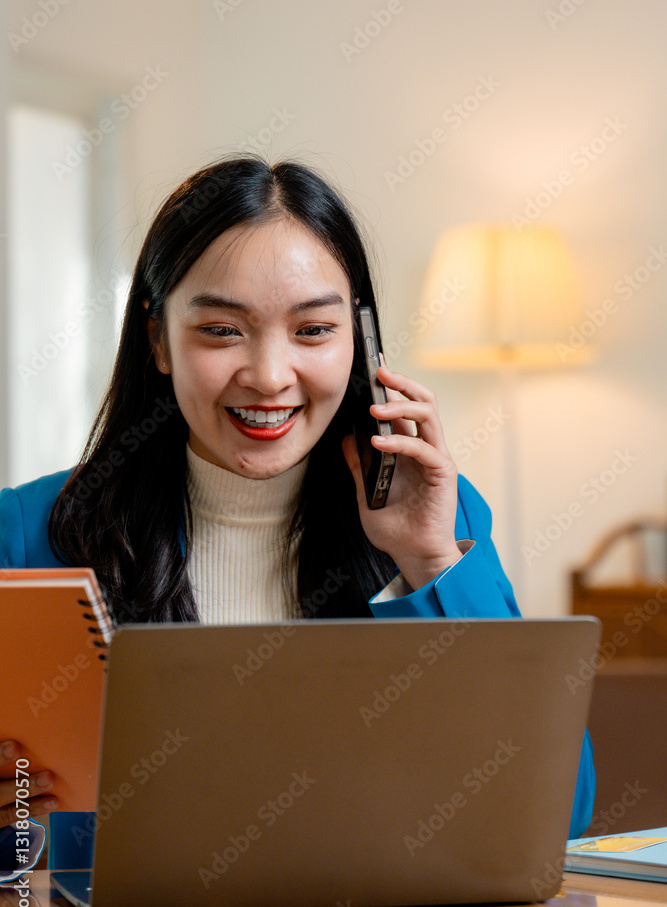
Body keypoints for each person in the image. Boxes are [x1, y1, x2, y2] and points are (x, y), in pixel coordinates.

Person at [0, 156, 594, 866]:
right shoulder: (28, 532)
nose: (269, 374)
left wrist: (430, 560)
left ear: (359, 344)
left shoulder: (441, 518)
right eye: (221, 331)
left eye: (312, 331)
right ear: (158, 340)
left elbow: (558, 810)